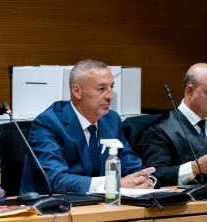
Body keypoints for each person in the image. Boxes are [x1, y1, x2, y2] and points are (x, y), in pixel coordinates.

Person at [20, 59, 156, 195]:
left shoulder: (112, 120)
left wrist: (145, 180)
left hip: (100, 205)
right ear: (77, 91)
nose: (110, 96)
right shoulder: (48, 123)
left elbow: (131, 165)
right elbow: (55, 180)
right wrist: (113, 184)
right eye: (101, 89)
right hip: (49, 209)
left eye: (111, 87)